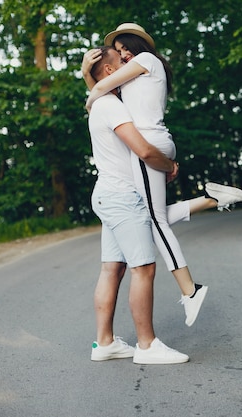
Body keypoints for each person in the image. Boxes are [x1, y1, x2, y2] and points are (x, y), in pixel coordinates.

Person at [82, 23, 242, 327]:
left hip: (148, 143)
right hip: (151, 142)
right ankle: (211, 200)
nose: (124, 55)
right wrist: (90, 84)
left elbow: (100, 88)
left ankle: (190, 290)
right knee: (148, 218)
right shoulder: (134, 77)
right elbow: (103, 89)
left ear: (137, 45)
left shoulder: (147, 61)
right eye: (118, 53)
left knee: (154, 221)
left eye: (125, 48)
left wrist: (88, 80)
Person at [88, 46, 188, 364]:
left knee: (111, 269)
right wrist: (169, 165)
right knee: (143, 268)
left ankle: (105, 343)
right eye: (120, 62)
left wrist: (85, 76)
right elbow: (144, 150)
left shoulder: (101, 104)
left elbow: (96, 89)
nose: (127, 64)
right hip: (122, 197)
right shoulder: (113, 106)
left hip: (107, 194)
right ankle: (147, 346)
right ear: (108, 71)